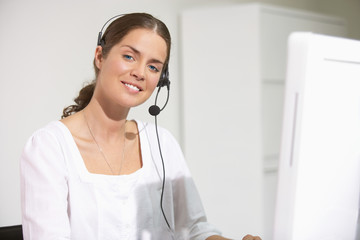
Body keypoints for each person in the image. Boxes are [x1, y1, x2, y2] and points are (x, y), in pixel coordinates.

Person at [20, 13, 261, 240]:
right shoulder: (49, 147)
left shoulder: (161, 143)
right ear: (100, 56)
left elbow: (193, 229)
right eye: (129, 56)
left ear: (161, 80)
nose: (140, 73)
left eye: (154, 67)